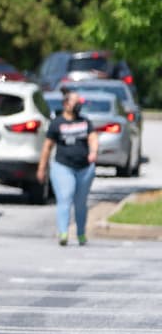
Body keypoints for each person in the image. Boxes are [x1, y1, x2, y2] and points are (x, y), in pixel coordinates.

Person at [37, 88, 99, 246]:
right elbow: (47, 147)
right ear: (66, 104)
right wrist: (41, 168)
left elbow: (93, 138)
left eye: (80, 102)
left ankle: (81, 233)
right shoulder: (57, 123)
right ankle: (63, 232)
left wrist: (93, 152)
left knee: (80, 202)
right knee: (65, 196)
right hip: (63, 166)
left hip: (84, 168)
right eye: (75, 102)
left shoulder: (85, 122)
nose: (79, 105)